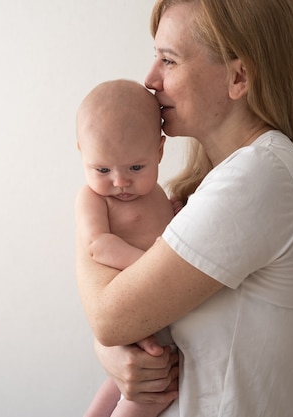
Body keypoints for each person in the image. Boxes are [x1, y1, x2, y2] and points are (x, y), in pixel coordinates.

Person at [76, 1, 293, 416]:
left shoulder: (258, 178)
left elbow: (109, 317)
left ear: (238, 76)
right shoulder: (222, 183)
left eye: (168, 60)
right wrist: (116, 357)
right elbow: (132, 320)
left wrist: (87, 212)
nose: (150, 79)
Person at [75, 79, 178, 417]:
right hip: (128, 305)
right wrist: (155, 264)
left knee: (123, 384)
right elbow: (98, 247)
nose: (120, 182)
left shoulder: (158, 195)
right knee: (147, 395)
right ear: (82, 152)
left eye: (136, 167)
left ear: (159, 152)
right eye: (102, 169)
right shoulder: (91, 198)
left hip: (158, 309)